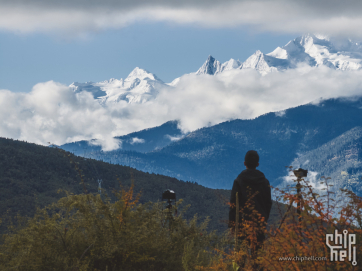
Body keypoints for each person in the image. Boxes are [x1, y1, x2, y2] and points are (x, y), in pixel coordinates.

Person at [229, 150, 272, 253]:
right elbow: (268, 203)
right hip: (259, 224)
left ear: (244, 163)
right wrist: (264, 219)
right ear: (257, 164)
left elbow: (233, 204)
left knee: (241, 257)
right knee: (258, 258)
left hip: (242, 225)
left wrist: (232, 225)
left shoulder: (238, 181)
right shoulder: (265, 182)